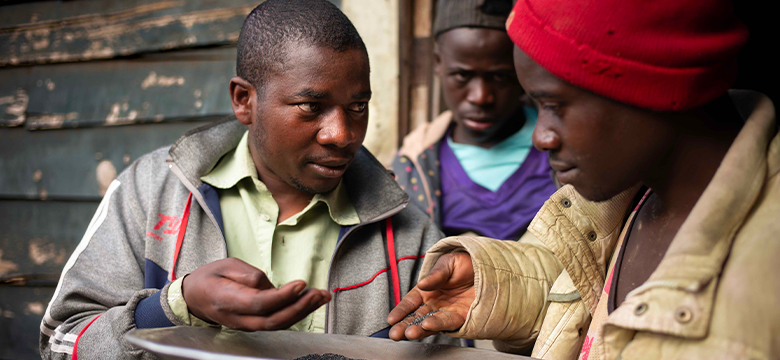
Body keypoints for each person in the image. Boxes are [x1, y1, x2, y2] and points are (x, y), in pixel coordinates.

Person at [40, 1, 459, 358]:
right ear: (245, 100)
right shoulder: (150, 192)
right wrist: (175, 306)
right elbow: (62, 344)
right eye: (311, 106)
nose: (342, 134)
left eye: (358, 106)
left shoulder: (409, 234)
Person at [387, 0, 780, 359]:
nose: (540, 137)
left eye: (554, 106)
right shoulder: (610, 199)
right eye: (536, 106)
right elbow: (574, 289)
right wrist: (494, 284)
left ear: (653, 87)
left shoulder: (766, 266)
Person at [391, 0, 557, 240]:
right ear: (438, 64)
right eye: (462, 75)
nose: (481, 97)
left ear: (523, 68)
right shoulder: (414, 164)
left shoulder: (560, 150)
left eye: (500, 76)